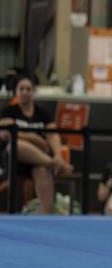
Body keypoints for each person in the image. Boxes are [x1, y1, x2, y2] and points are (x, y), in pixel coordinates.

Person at [0, 75, 73, 214]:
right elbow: (6, 133)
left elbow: (53, 135)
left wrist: (58, 155)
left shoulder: (43, 114)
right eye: (21, 89)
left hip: (38, 160)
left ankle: (43, 213)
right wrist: (35, 138)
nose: (25, 92)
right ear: (16, 92)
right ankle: (54, 164)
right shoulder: (8, 111)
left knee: (42, 171)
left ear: (33, 92)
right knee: (16, 145)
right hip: (14, 160)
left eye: (28, 89)